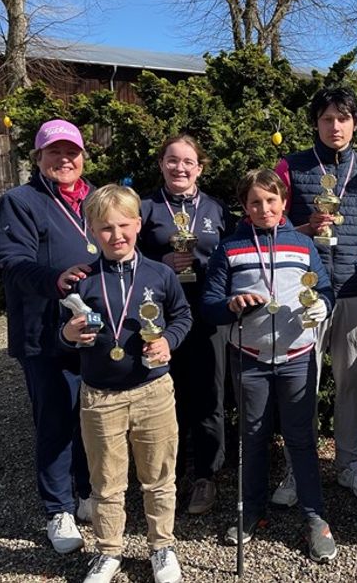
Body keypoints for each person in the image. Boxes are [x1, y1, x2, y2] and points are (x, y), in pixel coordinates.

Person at [202, 169, 338, 563]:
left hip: (297, 357)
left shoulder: (302, 245)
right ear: (244, 207)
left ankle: (315, 518)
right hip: (250, 358)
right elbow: (209, 306)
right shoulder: (229, 249)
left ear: (283, 204)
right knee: (254, 436)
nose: (264, 208)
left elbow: (325, 288)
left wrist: (322, 306)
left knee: (301, 438)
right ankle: (252, 512)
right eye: (255, 202)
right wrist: (229, 305)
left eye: (271, 201)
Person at [60, 184, 191, 583]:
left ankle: (162, 546)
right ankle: (109, 551)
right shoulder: (81, 280)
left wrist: (168, 342)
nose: (116, 235)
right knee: (106, 481)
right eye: (105, 228)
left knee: (159, 477)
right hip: (100, 396)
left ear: (138, 224)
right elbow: (60, 335)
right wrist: (67, 335)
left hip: (153, 391)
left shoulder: (161, 274)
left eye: (123, 225)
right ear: (91, 231)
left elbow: (183, 316)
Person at [273, 86, 357, 503]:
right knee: (302, 381)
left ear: (354, 123)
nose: (335, 126)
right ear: (316, 123)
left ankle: (349, 463)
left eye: (343, 118)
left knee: (351, 380)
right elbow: (274, 229)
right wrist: (306, 228)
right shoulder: (290, 166)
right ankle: (295, 469)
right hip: (304, 292)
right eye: (326, 119)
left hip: (355, 289)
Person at [0, 119, 96, 554]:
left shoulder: (96, 200)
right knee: (56, 419)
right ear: (38, 158)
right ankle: (59, 508)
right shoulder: (20, 201)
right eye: (55, 152)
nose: (64, 159)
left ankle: (89, 492)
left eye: (72, 151)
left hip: (96, 332)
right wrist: (56, 279)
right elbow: (12, 263)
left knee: (93, 415)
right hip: (46, 333)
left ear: (83, 157)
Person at [139, 134, 231, 515]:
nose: (180, 168)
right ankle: (167, 477)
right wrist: (163, 261)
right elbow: (129, 257)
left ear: (200, 168)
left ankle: (206, 476)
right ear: (161, 163)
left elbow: (232, 259)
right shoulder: (145, 208)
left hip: (207, 317)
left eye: (188, 162)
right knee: (164, 400)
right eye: (172, 160)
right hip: (161, 318)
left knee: (209, 397)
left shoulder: (217, 209)